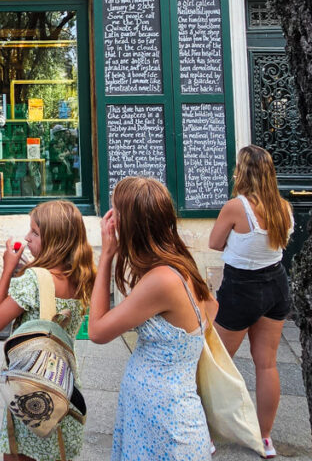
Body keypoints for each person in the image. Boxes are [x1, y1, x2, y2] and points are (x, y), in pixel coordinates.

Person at [89, 176, 217, 461]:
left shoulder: (162, 280)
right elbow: (213, 308)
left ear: (129, 224)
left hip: (163, 417)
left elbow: (96, 330)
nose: (111, 221)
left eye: (115, 213)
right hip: (158, 409)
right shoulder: (178, 262)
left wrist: (107, 255)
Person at [0, 200, 95, 461]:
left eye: (34, 232)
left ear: (54, 240)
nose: (26, 237)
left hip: (31, 391)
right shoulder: (83, 275)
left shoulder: (34, 280)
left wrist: (9, 270)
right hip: (62, 390)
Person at [208, 145, 294, 458]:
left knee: (217, 364)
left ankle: (205, 434)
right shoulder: (283, 207)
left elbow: (214, 243)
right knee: (267, 364)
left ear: (243, 172)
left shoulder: (236, 206)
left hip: (241, 288)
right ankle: (266, 439)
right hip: (275, 286)